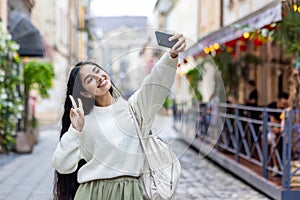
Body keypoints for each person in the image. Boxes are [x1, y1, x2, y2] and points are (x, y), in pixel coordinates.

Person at [52, 33, 186, 200]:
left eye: (97, 71)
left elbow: (154, 84)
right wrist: (74, 130)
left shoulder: (133, 109)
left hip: (129, 193)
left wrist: (171, 56)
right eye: (90, 79)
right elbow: (62, 165)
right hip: (91, 194)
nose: (99, 77)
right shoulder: (82, 121)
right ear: (84, 91)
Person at [267, 92, 289, 176]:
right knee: (273, 141)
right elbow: (272, 121)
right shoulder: (271, 106)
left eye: (286, 104)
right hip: (270, 130)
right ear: (278, 101)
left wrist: (280, 128)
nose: (284, 106)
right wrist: (280, 127)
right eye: (283, 104)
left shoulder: (287, 109)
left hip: (281, 131)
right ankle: (275, 166)